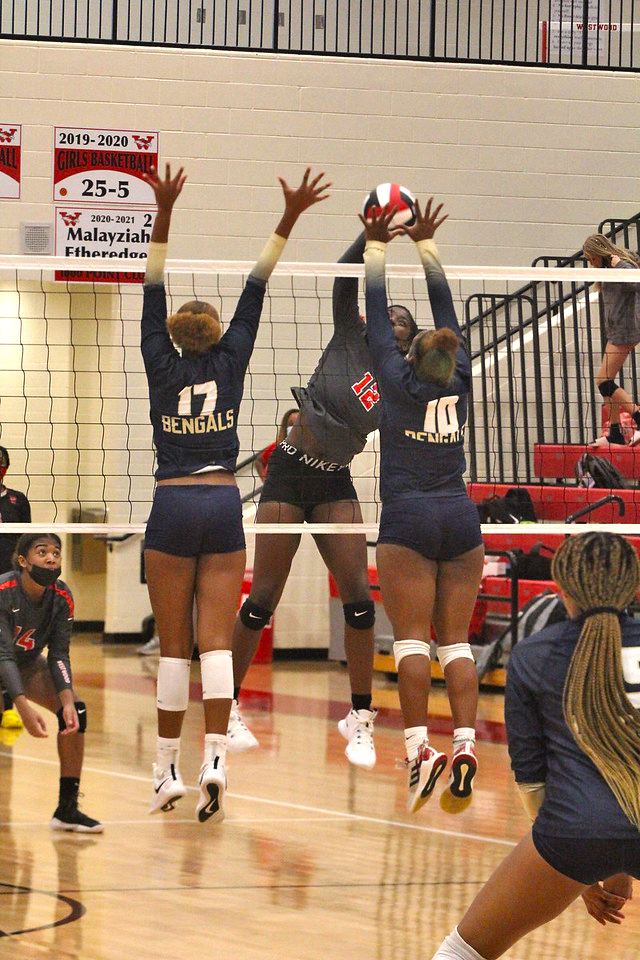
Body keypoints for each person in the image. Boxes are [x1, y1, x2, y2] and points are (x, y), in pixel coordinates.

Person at [141, 162, 330, 824]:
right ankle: (215, 758)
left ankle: (166, 768)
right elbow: (257, 283)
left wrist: (164, 209)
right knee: (216, 644)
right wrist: (289, 216)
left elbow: (153, 281)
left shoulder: (158, 361)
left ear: (171, 334)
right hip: (223, 503)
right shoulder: (233, 359)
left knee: (174, 649)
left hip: (172, 503)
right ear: (219, 333)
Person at [228, 229, 418, 769]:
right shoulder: (350, 334)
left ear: (408, 340)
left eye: (403, 320)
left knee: (359, 600)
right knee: (262, 598)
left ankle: (359, 716)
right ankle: (228, 706)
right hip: (289, 474)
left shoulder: (400, 380)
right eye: (390, 312)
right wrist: (369, 239)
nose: (394, 318)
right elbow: (342, 279)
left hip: (336, 480)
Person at [429, 530, 640, 959]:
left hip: (574, 830)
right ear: (632, 586)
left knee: (461, 952)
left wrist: (571, 862)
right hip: (598, 826)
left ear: (561, 590)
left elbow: (531, 781)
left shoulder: (533, 654)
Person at [359, 199, 484, 813]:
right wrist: (426, 244)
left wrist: (376, 244)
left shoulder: (394, 378)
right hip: (460, 515)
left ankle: (418, 751)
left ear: (410, 357)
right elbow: (446, 311)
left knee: (411, 641)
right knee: (455, 643)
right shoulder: (460, 379)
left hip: (408, 517)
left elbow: (377, 310)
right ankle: (465, 744)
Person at [0, 532, 102, 832]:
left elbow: (59, 654)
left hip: (27, 663)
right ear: (23, 561)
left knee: (76, 712)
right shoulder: (4, 591)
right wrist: (22, 708)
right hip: (4, 660)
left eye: (56, 553)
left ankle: (66, 809)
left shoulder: (61, 596)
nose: (51, 559)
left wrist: (67, 701)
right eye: (42, 552)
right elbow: (3, 655)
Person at [582, 234, 640, 448]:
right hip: (616, 330)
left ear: (600, 253)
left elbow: (637, 283)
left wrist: (621, 266)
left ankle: (637, 416)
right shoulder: (607, 269)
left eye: (592, 258)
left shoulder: (621, 265)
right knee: (606, 381)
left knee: (604, 381)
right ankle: (614, 432)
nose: (591, 263)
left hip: (626, 330)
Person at [0, 446, 31, 732]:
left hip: (8, 583)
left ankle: (8, 709)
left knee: (6, 645)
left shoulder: (17, 500)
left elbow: (26, 542)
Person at [255, 408, 299, 481]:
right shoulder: (277, 446)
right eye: (291, 424)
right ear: (285, 426)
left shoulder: (308, 449)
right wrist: (264, 479)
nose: (294, 428)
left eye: (297, 425)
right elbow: (259, 461)